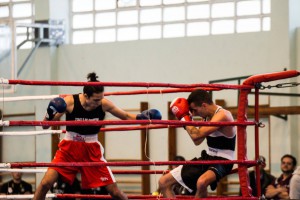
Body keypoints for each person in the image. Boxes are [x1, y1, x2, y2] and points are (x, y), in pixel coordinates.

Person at [33, 72, 162, 200]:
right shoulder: (70, 102)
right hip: (69, 149)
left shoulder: (103, 104)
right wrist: (49, 113)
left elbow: (126, 116)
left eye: (101, 98)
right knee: (45, 184)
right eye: (96, 100)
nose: (99, 102)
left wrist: (142, 118)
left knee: (115, 192)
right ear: (85, 95)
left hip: (92, 151)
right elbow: (45, 125)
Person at [158, 89, 236, 198]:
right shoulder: (207, 117)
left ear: (204, 105)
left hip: (224, 160)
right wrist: (187, 121)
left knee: (201, 183)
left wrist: (184, 118)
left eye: (194, 110)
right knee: (163, 182)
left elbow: (197, 135)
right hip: (207, 157)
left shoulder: (223, 115)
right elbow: (197, 141)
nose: (194, 114)